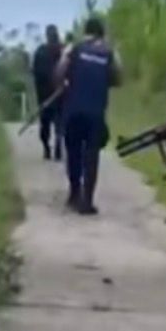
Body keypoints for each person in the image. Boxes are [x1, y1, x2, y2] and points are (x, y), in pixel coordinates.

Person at [56, 17, 122, 215]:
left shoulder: (74, 49)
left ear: (86, 32)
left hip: (73, 110)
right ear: (102, 33)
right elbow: (118, 79)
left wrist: (65, 81)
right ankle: (87, 201)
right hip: (96, 111)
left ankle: (74, 193)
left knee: (73, 152)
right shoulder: (108, 52)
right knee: (92, 155)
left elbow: (59, 73)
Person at [31, 25, 65, 160]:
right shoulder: (63, 50)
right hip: (60, 93)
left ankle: (47, 147)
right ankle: (56, 142)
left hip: (45, 94)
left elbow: (35, 74)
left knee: (46, 123)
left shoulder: (40, 52)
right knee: (58, 122)